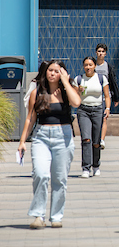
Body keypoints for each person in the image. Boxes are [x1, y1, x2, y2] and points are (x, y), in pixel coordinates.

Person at [17, 60, 81, 229]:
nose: (53, 73)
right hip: (41, 137)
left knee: (60, 179)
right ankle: (38, 216)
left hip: (64, 137)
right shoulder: (37, 91)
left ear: (63, 73)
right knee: (41, 174)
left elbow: (76, 103)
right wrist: (23, 141)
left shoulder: (67, 92)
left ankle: (56, 216)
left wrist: (67, 82)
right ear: (45, 72)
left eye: (57, 71)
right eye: (50, 70)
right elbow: (30, 118)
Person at [73, 56, 111, 178]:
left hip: (98, 110)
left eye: (90, 65)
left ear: (95, 66)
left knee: (96, 141)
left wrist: (107, 108)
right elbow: (73, 97)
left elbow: (107, 95)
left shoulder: (101, 78)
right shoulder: (79, 79)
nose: (88, 67)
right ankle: (86, 168)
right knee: (86, 139)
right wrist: (78, 91)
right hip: (83, 110)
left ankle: (96, 165)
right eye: (86, 65)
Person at [95, 43, 119, 150]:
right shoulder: (92, 65)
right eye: (99, 51)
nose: (101, 53)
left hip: (105, 96)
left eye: (103, 51)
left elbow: (113, 82)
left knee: (104, 118)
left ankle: (101, 140)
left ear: (105, 53)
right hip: (94, 96)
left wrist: (116, 97)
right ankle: (95, 138)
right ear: (96, 52)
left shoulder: (108, 67)